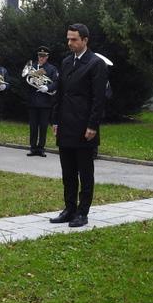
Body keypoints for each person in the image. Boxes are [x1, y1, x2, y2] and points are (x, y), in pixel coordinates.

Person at [49, 24, 108, 228]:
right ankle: (69, 209)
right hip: (65, 125)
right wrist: (55, 120)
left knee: (85, 172)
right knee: (68, 172)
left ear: (85, 40)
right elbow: (60, 93)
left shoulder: (95, 64)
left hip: (84, 127)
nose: (70, 43)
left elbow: (98, 99)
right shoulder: (66, 62)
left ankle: (82, 212)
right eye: (68, 39)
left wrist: (92, 125)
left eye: (74, 39)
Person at [23, 45, 59, 157]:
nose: (41, 58)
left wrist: (47, 88)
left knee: (43, 127)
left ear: (47, 57)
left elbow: (56, 82)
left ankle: (41, 148)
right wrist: (32, 80)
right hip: (33, 102)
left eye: (44, 56)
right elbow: (26, 81)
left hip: (45, 103)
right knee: (33, 127)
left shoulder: (52, 69)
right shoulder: (32, 67)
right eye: (40, 56)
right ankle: (33, 148)